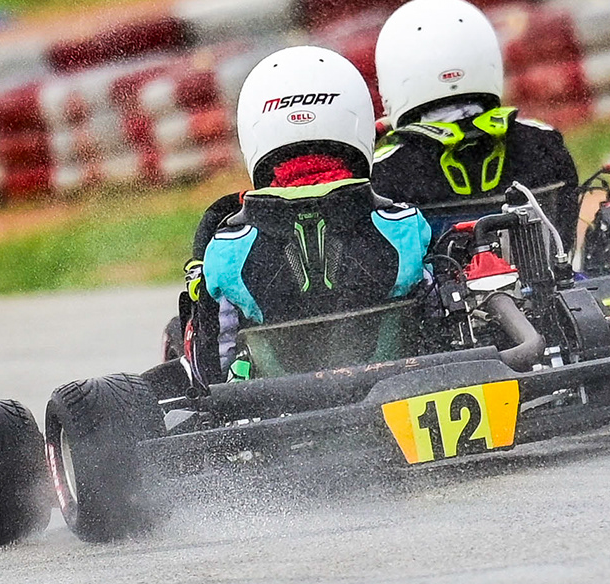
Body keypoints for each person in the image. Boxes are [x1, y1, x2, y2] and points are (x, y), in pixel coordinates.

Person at [184, 47, 437, 379]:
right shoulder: (404, 226)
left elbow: (215, 361)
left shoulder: (227, 248)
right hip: (401, 387)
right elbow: (437, 327)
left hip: (275, 400)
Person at [368, 0, 583, 246]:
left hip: (440, 272)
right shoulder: (543, 143)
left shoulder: (386, 170)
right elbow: (564, 238)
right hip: (542, 271)